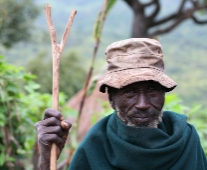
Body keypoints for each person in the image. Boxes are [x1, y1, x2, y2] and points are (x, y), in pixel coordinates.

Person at [35, 38, 207, 170]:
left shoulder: (186, 139)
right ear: (111, 99)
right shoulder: (96, 146)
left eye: (152, 91)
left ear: (163, 93)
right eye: (130, 92)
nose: (142, 104)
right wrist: (46, 160)